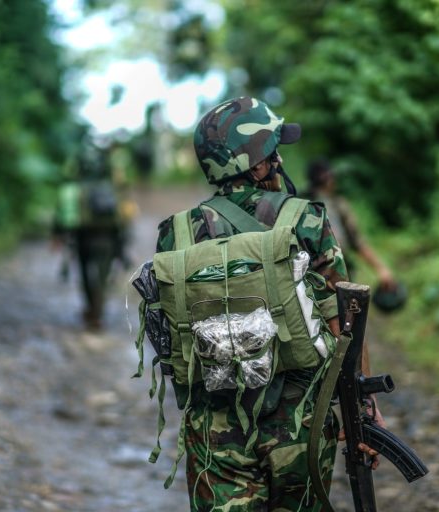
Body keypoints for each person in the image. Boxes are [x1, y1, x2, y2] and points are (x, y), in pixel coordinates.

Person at [153, 97, 384, 511]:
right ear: (257, 165)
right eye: (273, 152)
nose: (279, 160)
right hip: (298, 425)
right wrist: (362, 406)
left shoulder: (178, 234)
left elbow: (170, 338)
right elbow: (343, 318)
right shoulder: (306, 218)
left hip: (213, 426)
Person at [52, 143, 129, 330]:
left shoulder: (75, 189)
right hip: (107, 239)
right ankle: (98, 314)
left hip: (82, 237)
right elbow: (125, 218)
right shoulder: (113, 187)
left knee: (86, 275)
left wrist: (57, 235)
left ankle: (90, 310)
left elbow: (61, 216)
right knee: (102, 277)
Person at [306, 159, 397, 291]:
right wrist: (381, 268)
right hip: (339, 279)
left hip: (311, 283)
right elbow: (357, 242)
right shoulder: (337, 205)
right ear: (329, 179)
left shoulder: (303, 208)